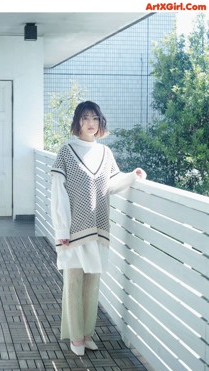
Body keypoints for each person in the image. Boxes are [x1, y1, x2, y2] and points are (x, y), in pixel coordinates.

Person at [50, 101, 146, 356]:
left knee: (93, 284)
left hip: (98, 227)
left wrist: (132, 176)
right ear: (77, 122)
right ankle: (75, 337)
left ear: (100, 122)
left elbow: (111, 184)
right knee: (73, 283)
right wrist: (61, 231)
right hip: (73, 231)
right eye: (85, 118)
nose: (90, 123)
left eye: (94, 118)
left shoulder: (105, 154)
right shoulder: (66, 151)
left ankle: (87, 333)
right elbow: (58, 193)